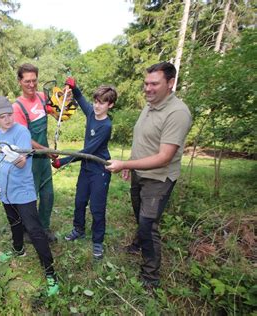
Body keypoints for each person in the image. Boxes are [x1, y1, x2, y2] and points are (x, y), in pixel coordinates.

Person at [106, 62, 192, 289]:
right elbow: (143, 138)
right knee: (139, 214)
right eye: (146, 83)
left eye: (154, 83)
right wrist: (130, 164)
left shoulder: (178, 113)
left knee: (147, 222)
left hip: (159, 178)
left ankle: (151, 276)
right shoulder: (150, 105)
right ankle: (138, 245)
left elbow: (164, 156)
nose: (148, 88)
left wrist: (126, 162)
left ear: (170, 83)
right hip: (140, 171)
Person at [0, 96, 59, 296]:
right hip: (5, 189)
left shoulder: (21, 132)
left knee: (34, 229)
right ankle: (18, 249)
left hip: (22, 190)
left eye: (9, 115)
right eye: (2, 116)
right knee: (14, 223)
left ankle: (50, 272)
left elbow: (21, 163)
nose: (7, 119)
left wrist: (11, 154)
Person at [52, 78, 117, 260]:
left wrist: (62, 161)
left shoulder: (106, 126)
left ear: (110, 105)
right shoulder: (90, 114)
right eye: (96, 101)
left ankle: (97, 241)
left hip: (99, 170)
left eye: (102, 103)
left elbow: (88, 152)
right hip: (86, 169)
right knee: (80, 201)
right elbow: (80, 98)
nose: (97, 106)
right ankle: (78, 230)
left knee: (97, 207)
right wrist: (74, 86)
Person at [12, 63, 57, 242]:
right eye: (27, 81)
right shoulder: (17, 107)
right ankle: (27, 230)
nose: (31, 85)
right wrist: (45, 150)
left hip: (44, 159)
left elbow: (58, 112)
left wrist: (66, 100)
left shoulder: (41, 97)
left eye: (34, 80)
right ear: (20, 82)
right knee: (29, 197)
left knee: (48, 195)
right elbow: (25, 139)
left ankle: (43, 228)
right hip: (29, 158)